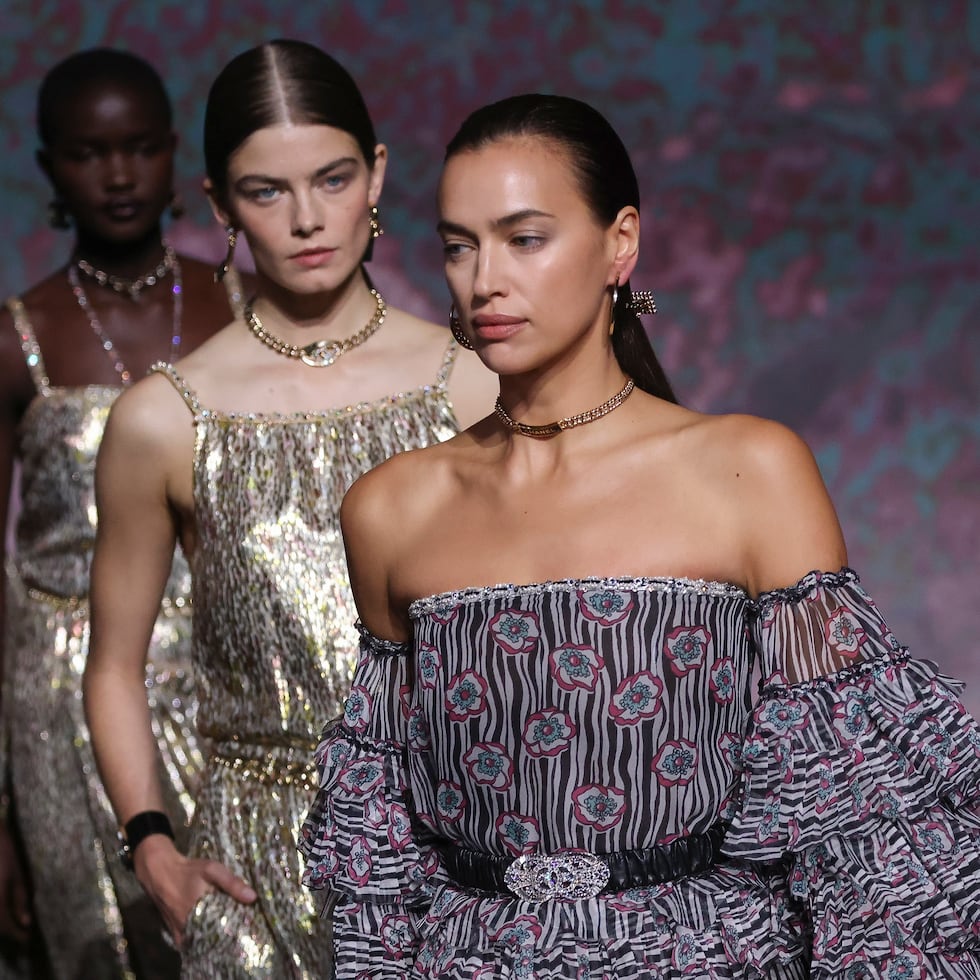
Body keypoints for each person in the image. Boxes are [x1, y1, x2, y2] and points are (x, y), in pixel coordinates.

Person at [299, 93, 980, 978]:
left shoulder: (749, 470)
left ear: (622, 243)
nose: (483, 279)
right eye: (459, 245)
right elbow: (381, 849)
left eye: (526, 238)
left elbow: (852, 815)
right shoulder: (392, 509)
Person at [83, 38, 495, 979]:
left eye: (334, 177)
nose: (309, 219)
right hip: (250, 870)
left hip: (452, 850)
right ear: (222, 206)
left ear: (378, 175)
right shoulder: (165, 418)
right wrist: (151, 843)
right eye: (267, 192)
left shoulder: (470, 383)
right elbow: (114, 664)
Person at [0, 48, 247, 979]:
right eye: (88, 152)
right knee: (97, 950)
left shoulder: (244, 306)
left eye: (140, 148)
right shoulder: (14, 335)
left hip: (229, 677)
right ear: (49, 167)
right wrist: (0, 814)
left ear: (176, 155)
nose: (116, 173)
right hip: (59, 691)